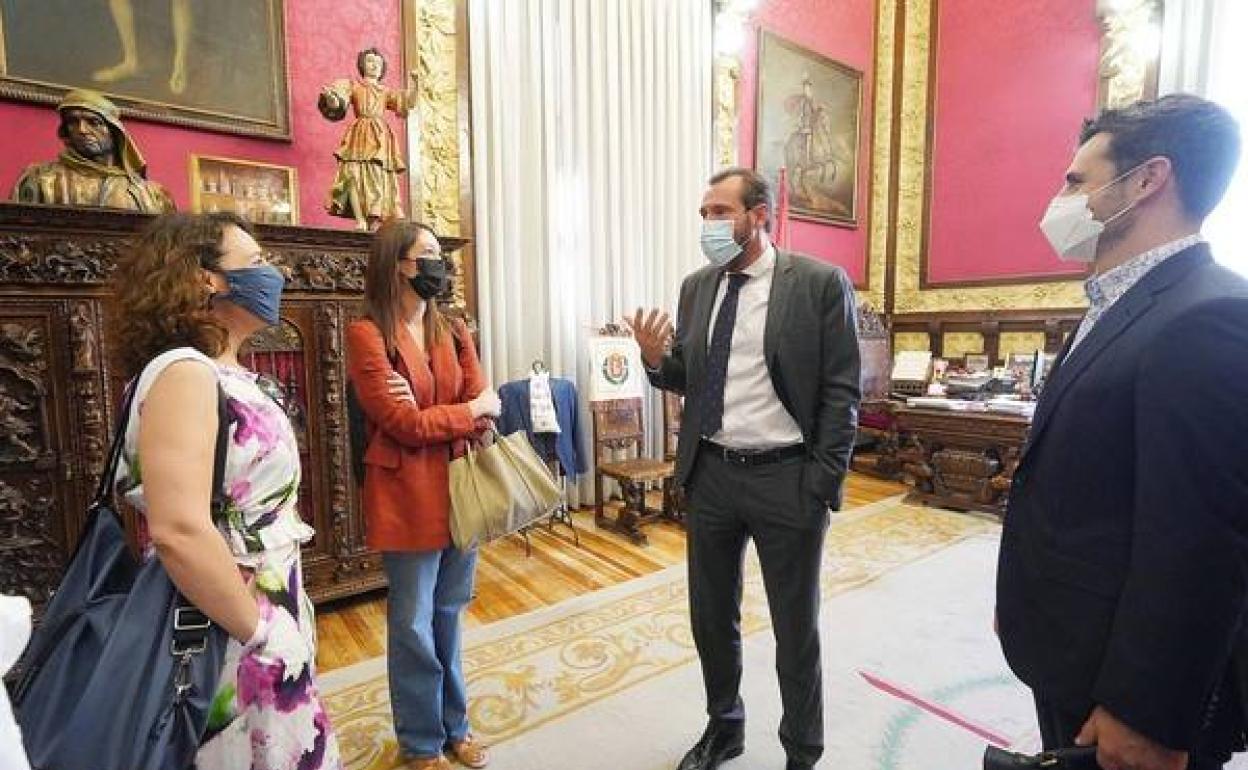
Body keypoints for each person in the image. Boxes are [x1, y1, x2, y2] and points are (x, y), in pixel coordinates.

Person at [997, 93, 1248, 770]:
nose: (1062, 198)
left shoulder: (1210, 315)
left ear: (1146, 181)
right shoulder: (1115, 302)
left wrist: (1146, 711)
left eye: (1077, 181)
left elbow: (1195, 540)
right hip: (1072, 643)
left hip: (1123, 680)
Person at [629, 167, 861, 770]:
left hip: (788, 477)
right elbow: (690, 375)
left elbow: (842, 394)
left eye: (720, 211)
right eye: (704, 213)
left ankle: (802, 751)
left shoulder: (817, 283)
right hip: (712, 477)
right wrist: (657, 362)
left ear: (759, 214)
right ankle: (724, 727)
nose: (708, 224)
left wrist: (821, 486)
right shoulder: (697, 287)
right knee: (710, 615)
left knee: (794, 627)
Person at [108, 212, 340, 768]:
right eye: (256, 262)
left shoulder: (221, 369)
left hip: (262, 594)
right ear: (206, 278)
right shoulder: (186, 372)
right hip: (226, 613)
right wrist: (259, 629)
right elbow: (179, 529)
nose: (273, 273)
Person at [345, 220, 501, 770]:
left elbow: (482, 396)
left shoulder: (454, 329)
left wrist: (466, 413)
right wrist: (467, 414)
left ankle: (455, 727)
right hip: (405, 493)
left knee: (449, 614)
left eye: (440, 254)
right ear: (397, 265)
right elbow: (402, 422)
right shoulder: (367, 333)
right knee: (412, 625)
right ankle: (420, 743)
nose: (440, 264)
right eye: (428, 254)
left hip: (460, 488)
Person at [10, 89, 174, 214]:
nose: (81, 130)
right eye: (72, 122)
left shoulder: (151, 194)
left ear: (114, 131)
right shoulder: (40, 179)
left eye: (93, 122)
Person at [318, 48, 417, 230]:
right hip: (359, 133)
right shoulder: (353, 86)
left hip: (379, 136)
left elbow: (407, 103)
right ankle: (360, 219)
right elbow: (339, 102)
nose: (374, 66)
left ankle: (374, 220)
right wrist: (333, 100)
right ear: (362, 64)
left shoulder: (385, 91)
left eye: (378, 63)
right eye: (371, 61)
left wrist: (415, 84)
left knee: (377, 177)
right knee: (351, 175)